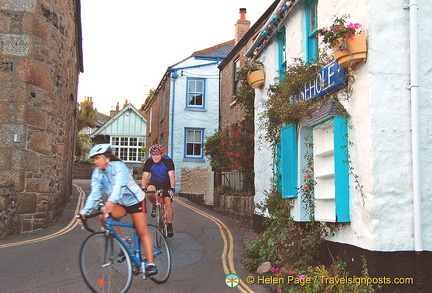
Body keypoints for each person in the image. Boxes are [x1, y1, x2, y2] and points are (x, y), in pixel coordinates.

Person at [77, 144, 157, 275]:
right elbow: (95, 194)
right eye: (94, 159)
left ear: (106, 158)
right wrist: (84, 212)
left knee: (141, 230)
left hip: (135, 200)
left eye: (97, 158)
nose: (95, 162)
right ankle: (125, 242)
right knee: (103, 218)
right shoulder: (97, 173)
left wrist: (110, 201)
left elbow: (120, 186)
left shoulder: (119, 167)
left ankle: (151, 264)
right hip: (119, 202)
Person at [142, 144, 176, 237]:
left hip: (166, 182)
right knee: (149, 192)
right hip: (155, 181)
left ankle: (169, 225)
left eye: (157, 155)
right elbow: (145, 175)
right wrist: (143, 188)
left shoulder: (168, 161)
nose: (155, 157)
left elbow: (171, 175)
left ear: (162, 154)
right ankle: (154, 204)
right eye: (153, 154)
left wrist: (172, 188)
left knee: (168, 202)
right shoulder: (149, 161)